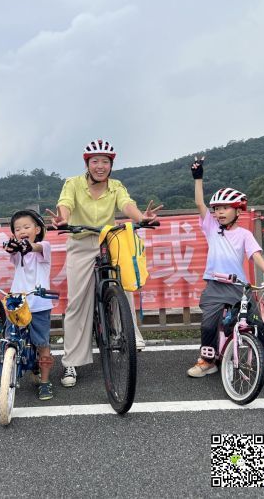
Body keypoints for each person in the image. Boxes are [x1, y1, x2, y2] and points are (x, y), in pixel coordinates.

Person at [47, 139, 162, 388]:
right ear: (87, 163)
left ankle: (129, 334)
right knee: (77, 302)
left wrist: (141, 217)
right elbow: (65, 204)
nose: (100, 166)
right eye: (95, 161)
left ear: (111, 165)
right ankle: (71, 361)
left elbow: (126, 203)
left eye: (105, 162)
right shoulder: (73, 183)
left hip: (108, 240)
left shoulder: (116, 186)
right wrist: (63, 219)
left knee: (123, 282)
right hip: (80, 243)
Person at [186, 157, 264, 380]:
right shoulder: (211, 227)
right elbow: (200, 204)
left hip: (238, 287)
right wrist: (198, 178)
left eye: (225, 208)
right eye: (217, 209)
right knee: (208, 325)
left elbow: (256, 255)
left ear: (238, 211)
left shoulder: (244, 234)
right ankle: (207, 361)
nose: (219, 212)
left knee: (255, 323)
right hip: (214, 285)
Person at [0, 209, 56, 401]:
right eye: (17, 229)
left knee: (42, 344)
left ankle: (45, 381)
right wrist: (12, 247)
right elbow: (14, 252)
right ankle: (3, 381)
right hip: (16, 303)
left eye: (26, 227)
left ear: (37, 229)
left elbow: (36, 247)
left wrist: (27, 246)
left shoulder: (44, 247)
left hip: (39, 304)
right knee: (9, 342)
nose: (22, 231)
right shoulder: (18, 253)